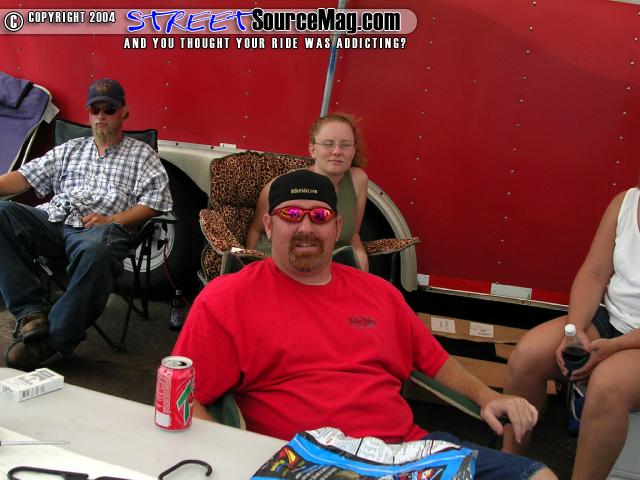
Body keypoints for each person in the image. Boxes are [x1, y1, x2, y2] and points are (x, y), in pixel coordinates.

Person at [173, 169, 556, 480]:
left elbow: (434, 360)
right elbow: (186, 396)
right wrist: (232, 461)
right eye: (291, 215)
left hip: (406, 454)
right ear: (269, 226)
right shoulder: (227, 299)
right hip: (309, 462)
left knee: (538, 476)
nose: (305, 227)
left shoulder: (380, 294)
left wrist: (488, 397)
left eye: (319, 216)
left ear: (337, 226)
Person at [0, 78, 173, 370]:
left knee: (96, 252)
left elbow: (157, 201)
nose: (102, 116)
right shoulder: (71, 148)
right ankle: (31, 312)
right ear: (89, 113)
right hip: (54, 220)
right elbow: (25, 177)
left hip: (100, 229)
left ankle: (53, 339)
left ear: (124, 112)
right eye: (96, 109)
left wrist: (113, 219)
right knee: (1, 213)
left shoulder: (142, 155)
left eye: (110, 109)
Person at [502, 187, 640, 479]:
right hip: (613, 319)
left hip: (633, 340)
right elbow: (594, 273)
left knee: (607, 386)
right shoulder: (626, 202)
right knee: (527, 356)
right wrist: (574, 330)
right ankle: (509, 465)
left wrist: (615, 347)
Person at [246, 112, 369, 271]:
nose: (337, 151)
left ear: (353, 150)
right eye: (328, 144)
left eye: (345, 145)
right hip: (277, 264)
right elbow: (256, 230)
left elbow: (353, 233)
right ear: (312, 149)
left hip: (325, 268)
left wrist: (360, 253)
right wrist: (251, 267)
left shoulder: (358, 180)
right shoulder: (281, 186)